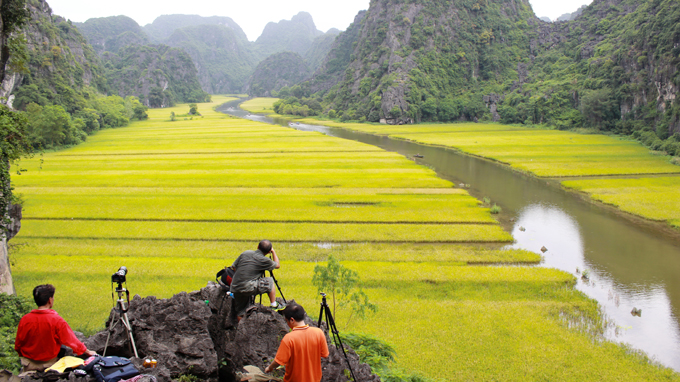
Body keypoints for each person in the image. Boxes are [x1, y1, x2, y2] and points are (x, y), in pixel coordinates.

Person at [15, 284, 97, 372]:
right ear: (50, 300)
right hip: (50, 364)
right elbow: (71, 341)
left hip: (29, 364)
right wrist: (88, 352)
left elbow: (18, 345)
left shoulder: (25, 319)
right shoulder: (56, 320)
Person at [265, 303, 329, 382]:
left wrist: (269, 368)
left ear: (292, 320)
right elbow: (325, 355)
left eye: (286, 321)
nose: (287, 324)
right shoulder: (318, 333)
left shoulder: (289, 338)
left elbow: (278, 361)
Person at [230, 240, 284, 321]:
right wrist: (273, 252)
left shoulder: (246, 253)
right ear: (268, 251)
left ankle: (240, 331)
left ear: (257, 247)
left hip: (235, 287)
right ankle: (273, 304)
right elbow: (277, 265)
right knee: (270, 280)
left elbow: (234, 266)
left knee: (241, 312)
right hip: (248, 287)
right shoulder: (264, 260)